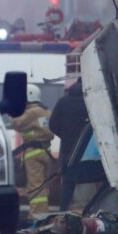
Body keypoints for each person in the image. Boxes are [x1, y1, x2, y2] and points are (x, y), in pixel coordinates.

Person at [12, 84, 54, 216]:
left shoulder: (31, 112)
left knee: (35, 187)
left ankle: (37, 215)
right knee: (43, 187)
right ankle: (42, 212)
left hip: (33, 153)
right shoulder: (46, 111)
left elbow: (16, 123)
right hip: (46, 152)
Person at [49, 79, 88, 211]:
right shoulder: (90, 102)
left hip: (67, 148)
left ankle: (63, 210)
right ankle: (91, 210)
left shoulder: (63, 102)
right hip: (88, 148)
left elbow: (52, 125)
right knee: (92, 179)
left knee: (68, 182)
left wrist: (65, 136)